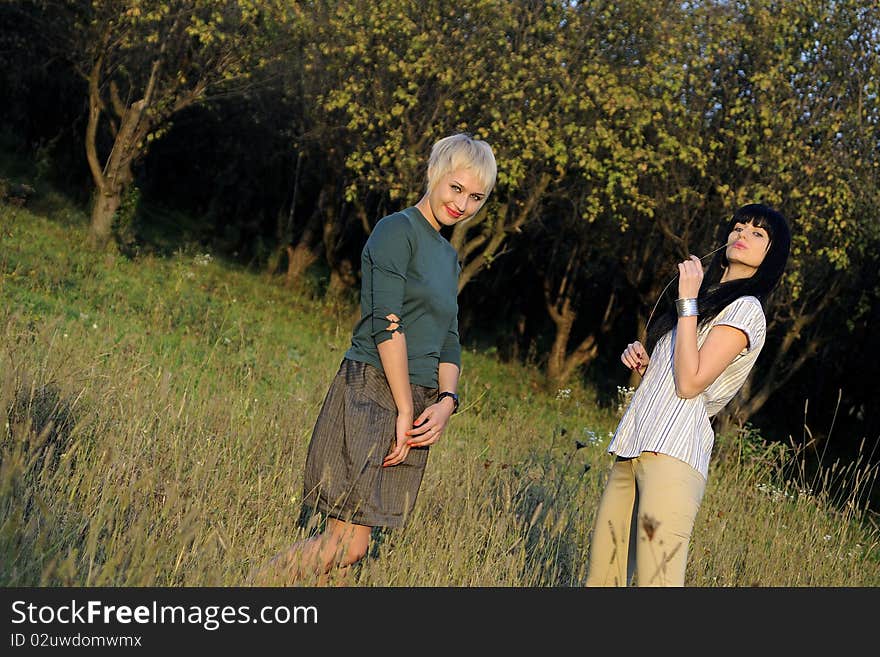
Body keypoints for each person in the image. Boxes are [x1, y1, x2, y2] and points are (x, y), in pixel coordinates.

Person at [255, 133, 497, 584]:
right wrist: (405, 407)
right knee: (346, 542)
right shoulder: (396, 231)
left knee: (351, 544)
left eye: (476, 197)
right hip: (373, 389)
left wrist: (446, 402)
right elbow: (387, 324)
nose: (463, 205)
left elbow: (449, 336)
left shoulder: (448, 256)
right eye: (456, 188)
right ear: (435, 175)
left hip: (421, 401)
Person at [585, 203, 791, 587]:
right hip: (633, 447)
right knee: (602, 580)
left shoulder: (745, 309)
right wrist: (650, 364)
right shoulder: (705, 300)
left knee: (657, 584)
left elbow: (692, 383)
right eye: (738, 226)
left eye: (757, 233)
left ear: (770, 257)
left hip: (673, 458)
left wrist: (687, 300)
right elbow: (680, 371)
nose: (742, 234)